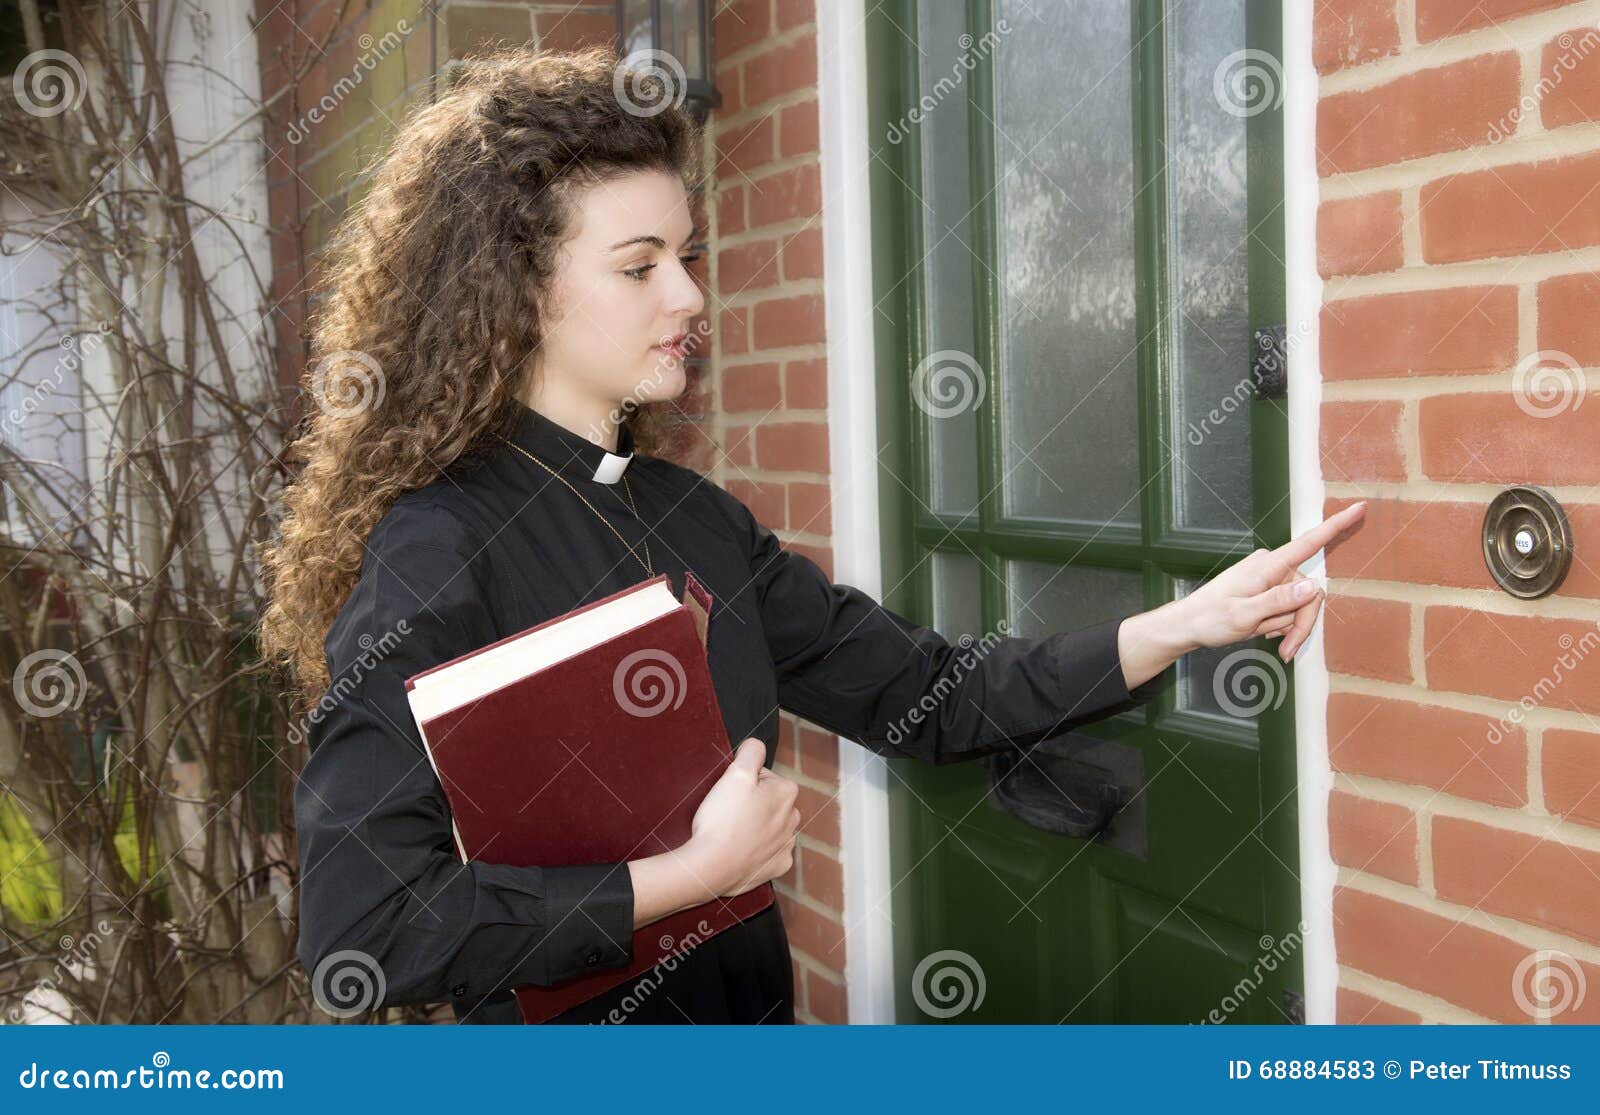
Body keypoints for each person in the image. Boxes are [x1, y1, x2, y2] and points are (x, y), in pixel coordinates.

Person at [257, 45, 1367, 1026]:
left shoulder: (694, 517)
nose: (689, 295)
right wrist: (689, 875)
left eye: (688, 255)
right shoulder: (440, 542)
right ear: (516, 292)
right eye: (640, 266)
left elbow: (927, 695)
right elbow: (366, 927)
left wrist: (1179, 624)